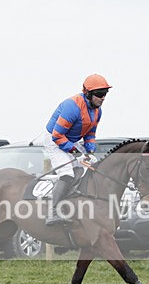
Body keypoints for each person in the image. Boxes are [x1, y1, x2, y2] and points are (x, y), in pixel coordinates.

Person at [43, 73, 110, 225]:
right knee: (67, 173)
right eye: (99, 94)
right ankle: (52, 212)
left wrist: (89, 151)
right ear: (87, 93)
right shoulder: (72, 107)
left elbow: (90, 134)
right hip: (54, 139)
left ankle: (69, 200)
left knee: (87, 167)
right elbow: (57, 136)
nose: (103, 98)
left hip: (70, 140)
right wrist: (77, 153)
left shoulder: (98, 111)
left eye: (105, 94)